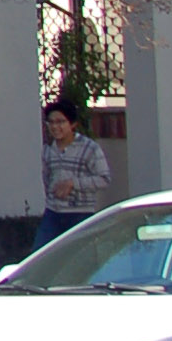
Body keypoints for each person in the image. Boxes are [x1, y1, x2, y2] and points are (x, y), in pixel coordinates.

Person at [35, 98, 111, 246]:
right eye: (51, 122)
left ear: (72, 124)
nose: (55, 127)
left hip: (80, 213)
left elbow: (104, 179)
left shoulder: (89, 148)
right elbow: (47, 178)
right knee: (41, 253)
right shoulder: (48, 150)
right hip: (53, 213)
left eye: (60, 122)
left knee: (80, 258)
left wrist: (73, 184)